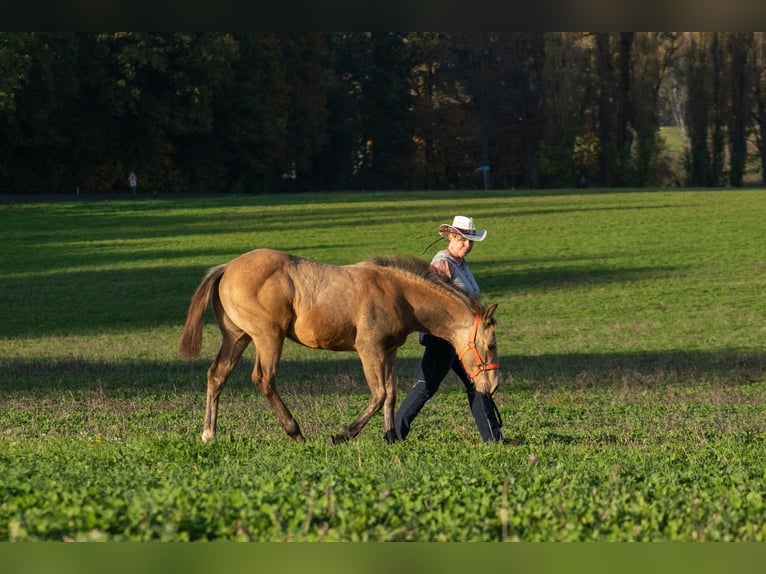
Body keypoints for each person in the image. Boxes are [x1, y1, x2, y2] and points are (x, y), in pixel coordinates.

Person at [394, 215, 516, 444]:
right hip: (444, 338)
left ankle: (494, 438)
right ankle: (394, 435)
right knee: (426, 386)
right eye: (463, 240)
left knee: (476, 383)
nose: (467, 245)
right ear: (451, 237)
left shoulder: (460, 264)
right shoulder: (442, 264)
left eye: (470, 241)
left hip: (462, 338)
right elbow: (433, 304)